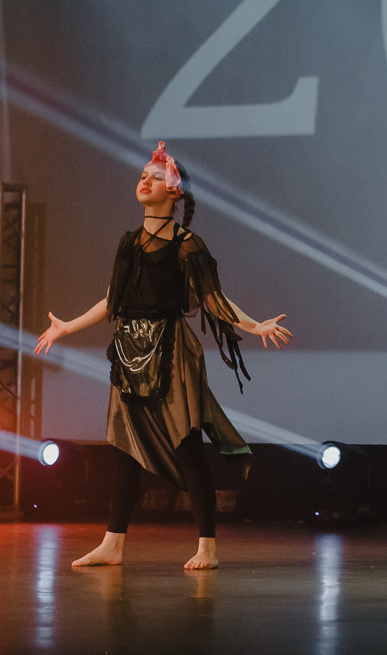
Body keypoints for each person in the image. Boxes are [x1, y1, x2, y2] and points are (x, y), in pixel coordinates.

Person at [34, 141, 291, 569]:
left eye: (155, 177)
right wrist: (68, 326)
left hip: (170, 351)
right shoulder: (128, 244)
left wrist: (255, 325)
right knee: (125, 449)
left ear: (175, 194)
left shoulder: (188, 245)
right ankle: (113, 544)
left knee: (186, 444)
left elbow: (214, 300)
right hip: (129, 349)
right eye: (142, 176)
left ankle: (207, 545)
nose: (145, 181)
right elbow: (113, 300)